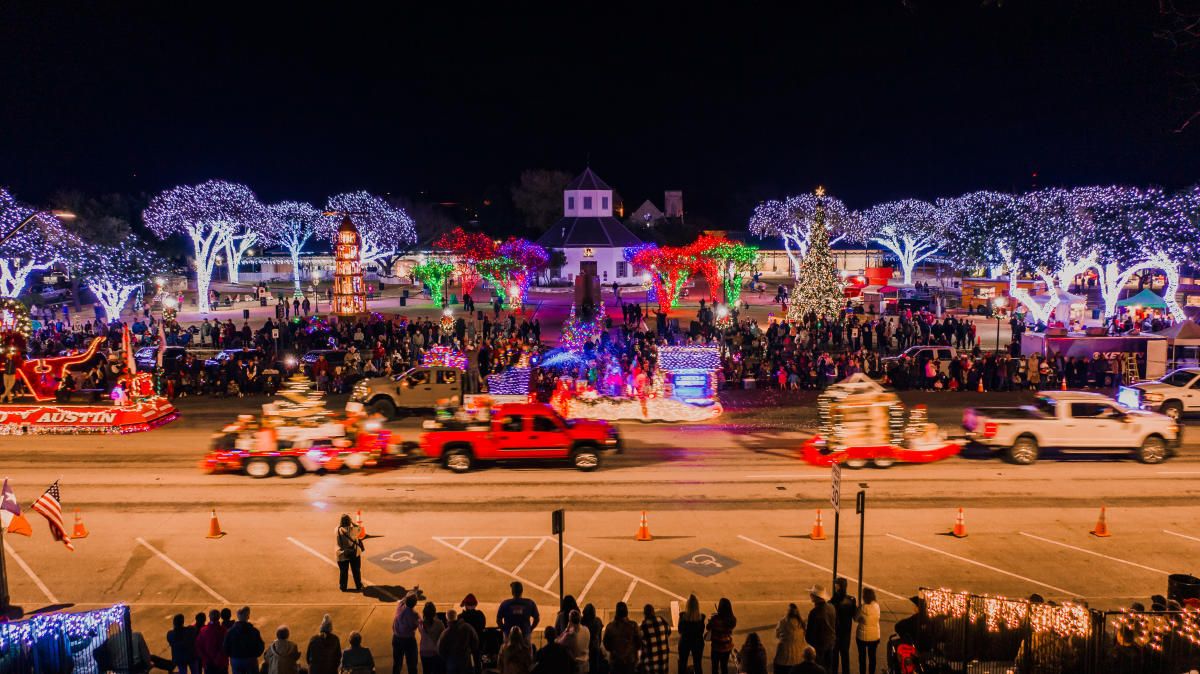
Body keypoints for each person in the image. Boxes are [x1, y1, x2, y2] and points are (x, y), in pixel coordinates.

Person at [223, 606, 265, 674]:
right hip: (251, 659)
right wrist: (255, 655)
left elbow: (225, 647)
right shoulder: (254, 631)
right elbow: (260, 646)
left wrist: (232, 656)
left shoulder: (230, 632)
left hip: (236, 659)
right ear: (248, 616)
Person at [601, 602, 641, 674]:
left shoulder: (610, 627)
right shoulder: (633, 625)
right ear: (626, 612)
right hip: (630, 661)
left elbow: (606, 644)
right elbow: (639, 644)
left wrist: (614, 650)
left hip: (615, 662)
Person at [805, 585, 836, 674]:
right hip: (830, 643)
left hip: (819, 646)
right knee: (828, 667)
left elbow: (810, 634)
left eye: (812, 594)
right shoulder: (831, 607)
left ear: (816, 597)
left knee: (818, 669)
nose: (810, 595)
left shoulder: (814, 613)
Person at [438, 609, 479, 674]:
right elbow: (475, 641)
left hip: (452, 663)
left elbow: (440, 650)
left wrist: (448, 658)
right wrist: (470, 651)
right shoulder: (467, 627)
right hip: (466, 662)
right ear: (456, 617)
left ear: (447, 620)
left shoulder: (445, 633)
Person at [831, 578, 857, 674]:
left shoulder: (834, 600)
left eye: (836, 584)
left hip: (836, 631)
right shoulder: (851, 600)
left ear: (838, 586)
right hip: (846, 632)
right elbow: (854, 615)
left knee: (834, 657)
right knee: (845, 655)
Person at [706, 598, 736, 674]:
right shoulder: (732, 620)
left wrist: (711, 620)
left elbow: (708, 627)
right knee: (724, 666)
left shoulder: (715, 619)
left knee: (715, 667)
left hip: (716, 647)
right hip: (727, 647)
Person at [773, 604, 805, 674]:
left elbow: (777, 634)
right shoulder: (802, 623)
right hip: (798, 657)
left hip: (783, 657)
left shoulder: (783, 622)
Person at [393, 593, 422, 674]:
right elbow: (419, 625)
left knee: (397, 664)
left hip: (397, 638)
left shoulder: (400, 606)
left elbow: (404, 598)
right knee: (412, 664)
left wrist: (413, 592)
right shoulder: (414, 615)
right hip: (408, 640)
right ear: (415, 603)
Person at [677, 595, 706, 674]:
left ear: (687, 605)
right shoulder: (701, 617)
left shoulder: (682, 616)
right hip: (697, 642)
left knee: (682, 663)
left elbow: (680, 630)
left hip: (685, 642)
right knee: (697, 664)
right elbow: (701, 631)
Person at [854, 589, 881, 674]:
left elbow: (855, 618)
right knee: (872, 657)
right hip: (874, 636)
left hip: (862, 637)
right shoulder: (877, 606)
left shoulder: (862, 608)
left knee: (862, 658)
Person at [638, 605, 671, 674]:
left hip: (651, 665)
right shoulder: (661, 620)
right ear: (653, 612)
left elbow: (639, 643)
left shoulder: (643, 627)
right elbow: (669, 632)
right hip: (663, 662)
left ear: (645, 614)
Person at [556, 609, 589, 674]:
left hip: (575, 667)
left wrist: (566, 629)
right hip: (585, 665)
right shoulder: (586, 630)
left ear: (570, 621)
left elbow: (557, 642)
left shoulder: (570, 635)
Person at [459, 594, 486, 674]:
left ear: (465, 605)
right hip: (478, 643)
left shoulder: (461, 617)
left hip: (465, 645)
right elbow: (483, 625)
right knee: (477, 662)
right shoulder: (480, 615)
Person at [196, 609, 229, 674]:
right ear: (219, 617)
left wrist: (205, 659)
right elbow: (226, 647)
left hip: (208, 664)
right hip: (221, 663)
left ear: (209, 617)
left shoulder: (203, 630)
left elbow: (198, 647)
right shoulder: (224, 630)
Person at [419, 602, 447, 674]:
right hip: (435, 652)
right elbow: (444, 635)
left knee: (426, 670)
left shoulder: (420, 624)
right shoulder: (439, 624)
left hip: (423, 651)